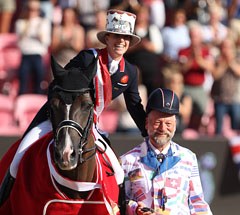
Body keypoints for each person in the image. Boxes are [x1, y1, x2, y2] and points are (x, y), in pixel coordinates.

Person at [0, 9, 147, 203]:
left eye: (126, 37)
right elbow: (59, 82)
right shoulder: (88, 58)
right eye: (117, 36)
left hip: (88, 125)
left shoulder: (130, 71)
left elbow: (134, 105)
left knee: (118, 173)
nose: (121, 41)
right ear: (108, 38)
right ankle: (4, 198)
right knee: (20, 154)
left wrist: (148, 133)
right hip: (59, 118)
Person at [15, 0, 51, 95]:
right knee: (23, 78)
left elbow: (46, 41)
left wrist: (38, 33)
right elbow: (20, 42)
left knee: (39, 78)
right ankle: (21, 99)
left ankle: (38, 100)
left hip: (37, 55)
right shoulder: (21, 23)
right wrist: (29, 27)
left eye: (35, 9)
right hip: (26, 55)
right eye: (30, 9)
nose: (32, 12)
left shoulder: (44, 22)